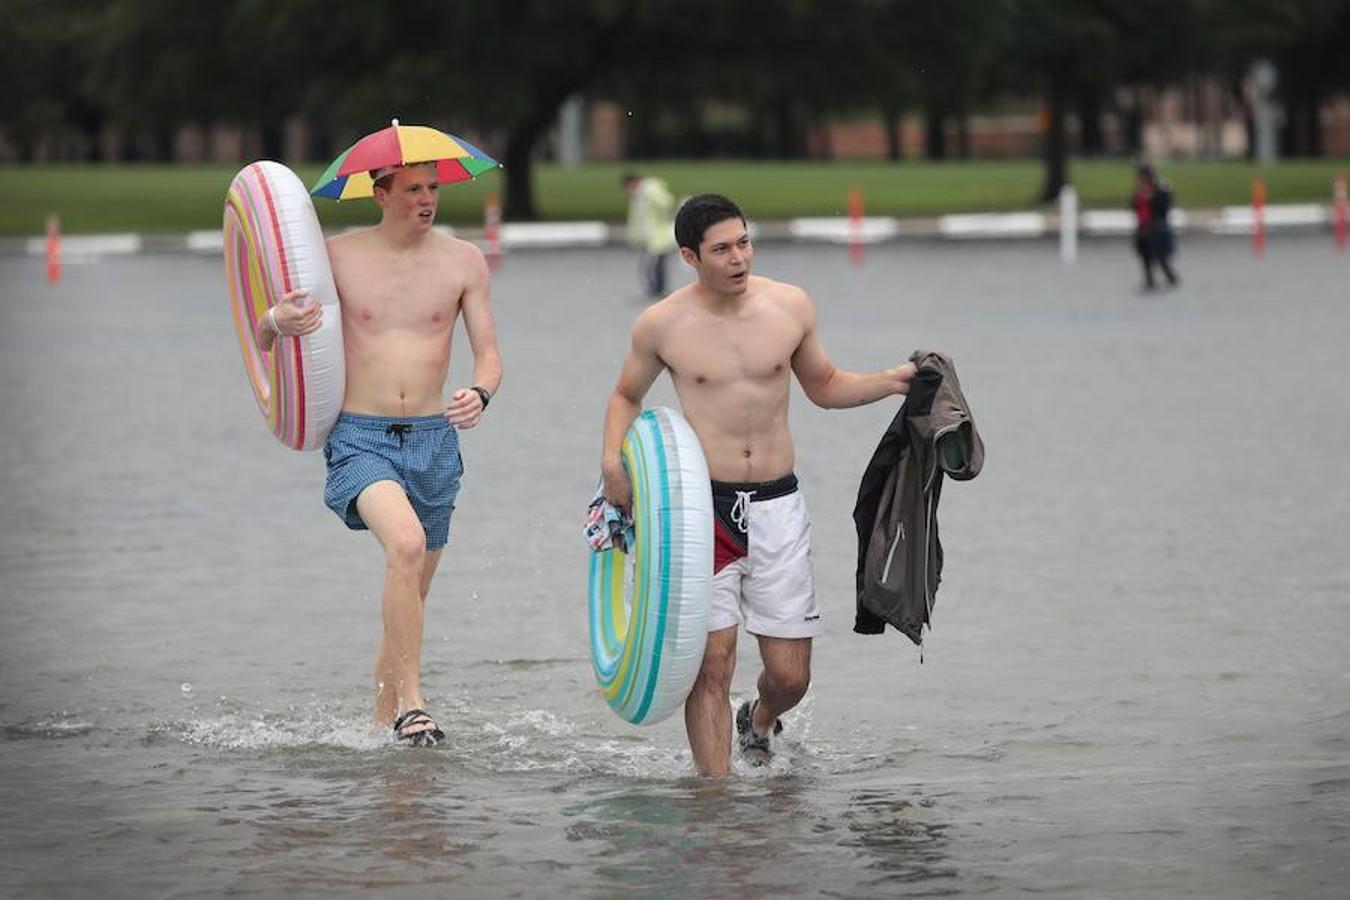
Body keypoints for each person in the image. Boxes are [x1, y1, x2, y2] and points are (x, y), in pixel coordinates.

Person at [599, 193, 917, 776]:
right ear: (690, 256)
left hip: (777, 506)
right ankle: (716, 804)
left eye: (744, 242)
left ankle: (761, 718)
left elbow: (823, 385)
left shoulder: (789, 306)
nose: (739, 258)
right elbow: (626, 394)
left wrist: (891, 381)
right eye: (723, 249)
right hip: (699, 513)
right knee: (713, 661)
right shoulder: (662, 324)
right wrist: (614, 464)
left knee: (793, 676)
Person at [256, 161, 503, 746]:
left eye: (434, 188)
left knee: (410, 590)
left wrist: (480, 393)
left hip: (434, 438)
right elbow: (263, 339)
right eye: (414, 189)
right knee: (406, 545)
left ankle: (379, 725)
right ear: (380, 192)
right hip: (360, 436)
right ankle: (416, 704)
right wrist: (276, 321)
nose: (427, 200)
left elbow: (489, 354)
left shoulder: (463, 260)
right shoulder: (335, 258)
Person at [623, 172, 677, 300]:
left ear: (633, 182)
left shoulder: (650, 190)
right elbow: (637, 220)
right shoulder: (639, 195)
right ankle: (655, 290)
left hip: (659, 237)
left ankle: (658, 291)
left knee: (653, 265)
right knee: (651, 265)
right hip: (650, 238)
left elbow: (667, 203)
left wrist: (650, 196)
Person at [1132, 164, 1180, 290]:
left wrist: (1152, 198)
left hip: (1157, 228)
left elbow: (1165, 206)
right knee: (1145, 257)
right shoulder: (1140, 189)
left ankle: (1171, 279)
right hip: (1143, 227)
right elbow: (1134, 205)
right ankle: (1149, 281)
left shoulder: (1161, 188)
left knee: (1161, 257)